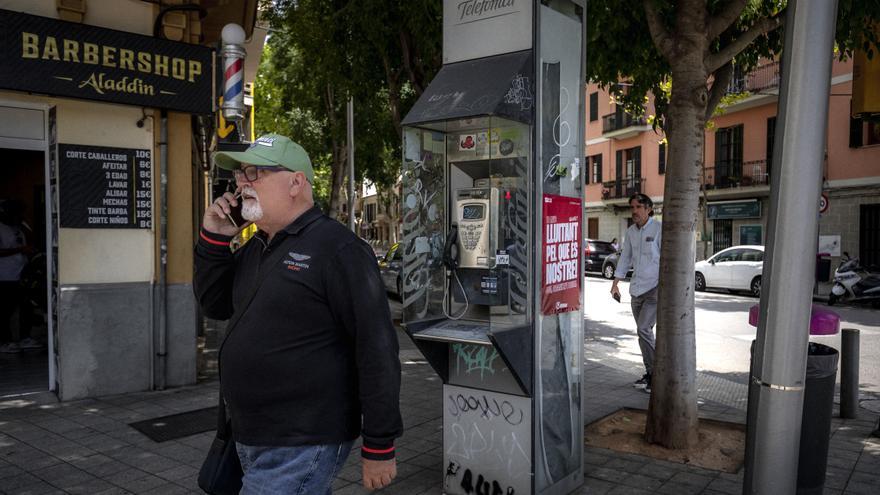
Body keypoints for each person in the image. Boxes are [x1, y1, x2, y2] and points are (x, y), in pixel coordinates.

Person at [193, 134, 402, 493]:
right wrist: (214, 237)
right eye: (241, 174)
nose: (242, 183)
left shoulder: (339, 249)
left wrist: (379, 443)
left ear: (296, 182)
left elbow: (377, 349)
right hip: (248, 433)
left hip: (301, 439)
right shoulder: (259, 245)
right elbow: (215, 304)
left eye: (254, 172)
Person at [610, 193, 661, 393]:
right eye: (632, 207)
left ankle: (657, 375)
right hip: (636, 291)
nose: (634, 211)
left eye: (638, 207)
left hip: (654, 289)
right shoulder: (631, 231)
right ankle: (650, 373)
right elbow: (625, 259)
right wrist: (615, 284)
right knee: (643, 335)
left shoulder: (659, 229)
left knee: (644, 330)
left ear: (648, 208)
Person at [0, 200, 31, 354]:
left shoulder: (19, 229)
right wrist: (19, 249)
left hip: (21, 274)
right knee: (5, 310)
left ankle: (25, 337)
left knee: (26, 306)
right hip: (4, 276)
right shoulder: (1, 228)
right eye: (16, 213)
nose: (20, 216)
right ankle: (5, 341)